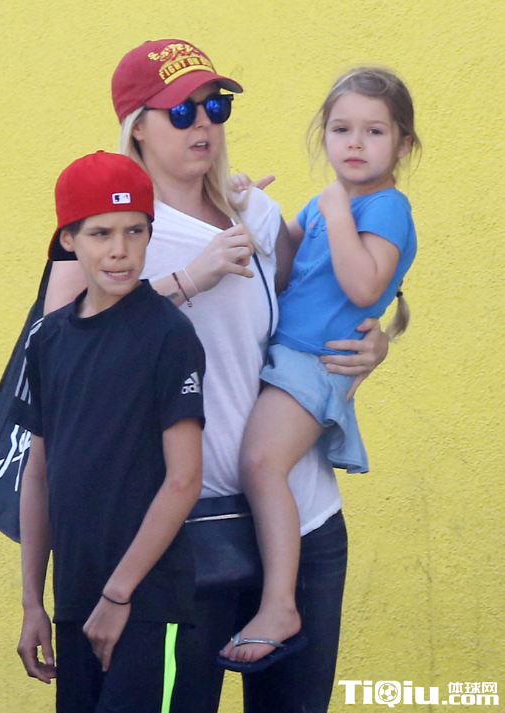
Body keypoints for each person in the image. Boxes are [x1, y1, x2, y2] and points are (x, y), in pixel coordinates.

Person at [45, 39, 389, 713]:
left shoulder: (253, 212)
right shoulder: (119, 231)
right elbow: (60, 349)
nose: (203, 122)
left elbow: (310, 310)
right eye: (181, 111)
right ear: (137, 127)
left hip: (302, 517)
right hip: (183, 533)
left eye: (215, 105)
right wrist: (186, 279)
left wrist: (372, 342)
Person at [218, 67, 420, 671]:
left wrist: (334, 213)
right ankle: (276, 598)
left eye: (374, 131)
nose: (355, 143)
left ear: (402, 145)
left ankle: (280, 605)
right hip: (290, 353)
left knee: (261, 463)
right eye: (341, 129)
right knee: (259, 463)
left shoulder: (387, 208)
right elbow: (282, 269)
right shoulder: (326, 203)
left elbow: (364, 286)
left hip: (317, 361)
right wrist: (247, 205)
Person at [14, 151, 206, 713]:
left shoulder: (168, 334)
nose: (120, 249)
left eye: (134, 231)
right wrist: (33, 603)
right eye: (101, 233)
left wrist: (119, 595)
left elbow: (184, 480)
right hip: (74, 602)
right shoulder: (48, 340)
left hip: (146, 605)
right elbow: (38, 476)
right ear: (68, 239)